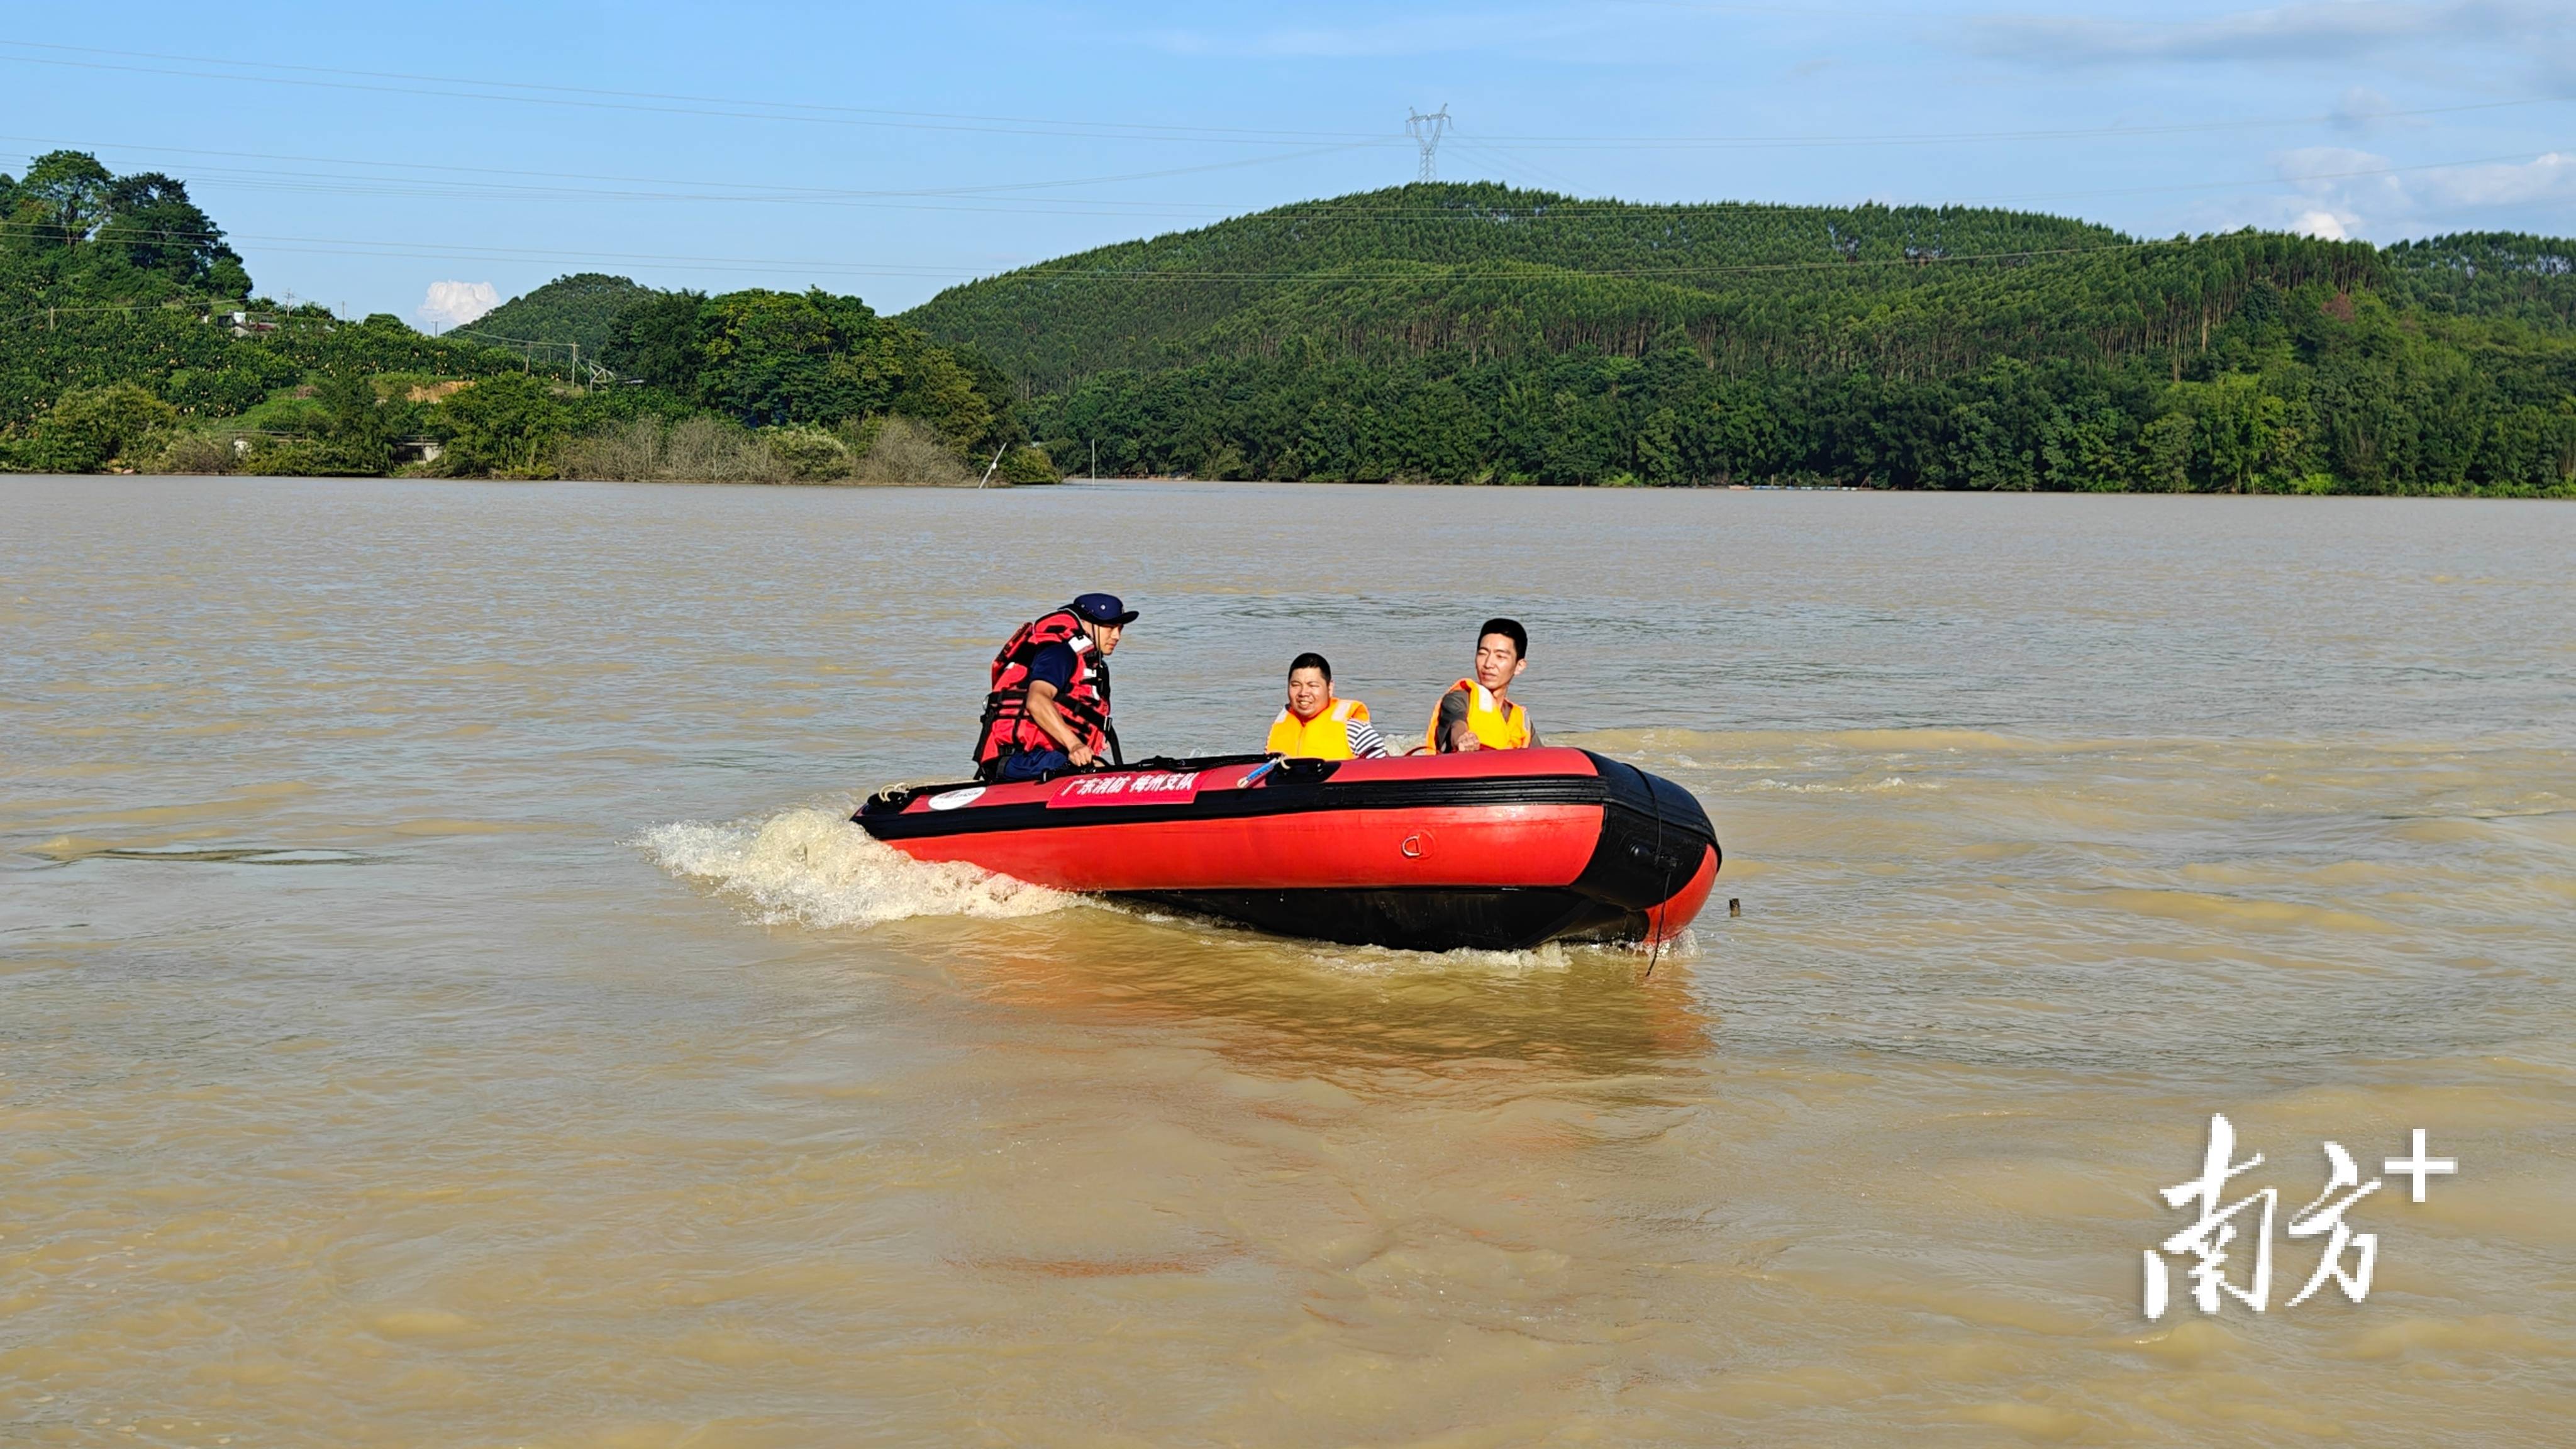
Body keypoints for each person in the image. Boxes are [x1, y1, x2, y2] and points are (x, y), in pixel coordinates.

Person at [973, 593, 1136, 782]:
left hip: (1042, 757)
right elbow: (1037, 701)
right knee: (1095, 773)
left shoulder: (1087, 662)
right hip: (1018, 759)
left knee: (1101, 768)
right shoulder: (1060, 653)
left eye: (1120, 628)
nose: (1117, 636)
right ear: (1086, 622)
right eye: (1110, 627)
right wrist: (1075, 745)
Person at [1426, 617, 1539, 753]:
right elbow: (1457, 724)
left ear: (1519, 666)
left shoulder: (1522, 720)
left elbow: (1544, 759)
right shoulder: (1458, 699)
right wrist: (1463, 738)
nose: (1488, 664)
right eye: (1482, 654)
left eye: (1500, 657)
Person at [1265, 652, 1389, 760]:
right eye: (1296, 685)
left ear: (1330, 688)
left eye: (1312, 685)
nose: (1303, 693)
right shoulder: (1277, 729)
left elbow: (1384, 772)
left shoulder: (1354, 730)